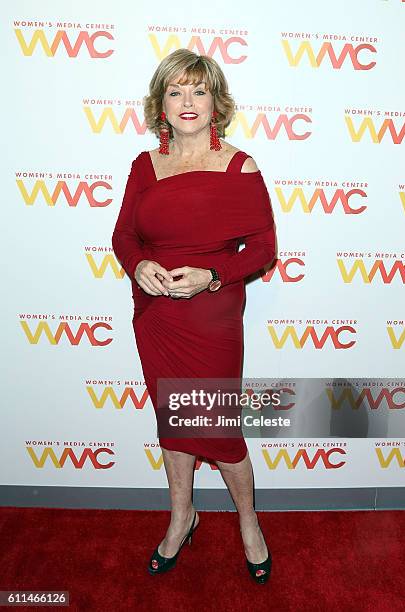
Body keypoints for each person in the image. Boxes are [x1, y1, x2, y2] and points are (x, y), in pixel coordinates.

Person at [112, 49, 277, 584]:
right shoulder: (145, 165)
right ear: (161, 102)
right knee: (174, 426)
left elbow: (262, 249)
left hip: (212, 317)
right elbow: (124, 236)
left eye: (199, 91)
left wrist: (212, 276)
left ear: (216, 102)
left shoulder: (239, 165)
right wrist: (139, 267)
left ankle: (248, 520)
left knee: (220, 431)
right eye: (176, 91)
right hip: (158, 315)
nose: (188, 102)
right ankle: (183, 515)